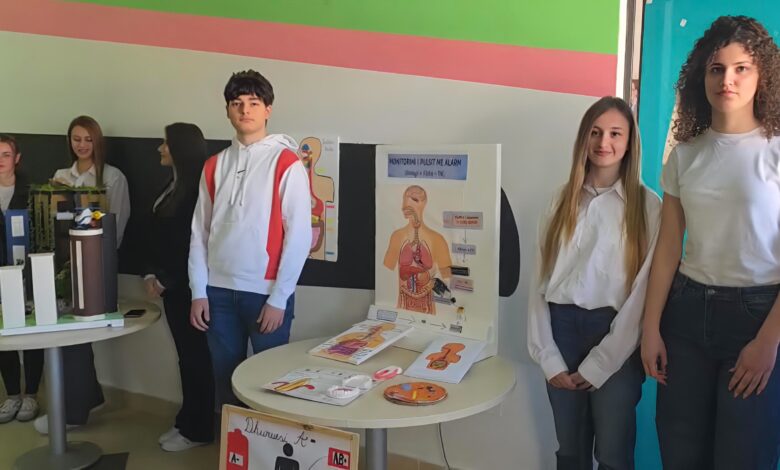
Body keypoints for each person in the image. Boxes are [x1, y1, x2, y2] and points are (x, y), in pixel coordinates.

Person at [641, 16, 780, 469]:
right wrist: (650, 327)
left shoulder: (776, 151)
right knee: (680, 454)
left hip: (757, 318)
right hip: (685, 317)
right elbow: (668, 248)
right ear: (700, 77)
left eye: (741, 68)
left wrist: (768, 342)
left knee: (743, 457)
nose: (727, 80)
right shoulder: (684, 155)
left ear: (762, 76)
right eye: (716, 69)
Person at [528, 96, 661, 469]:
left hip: (616, 335)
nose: (604, 142)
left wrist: (604, 360)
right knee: (569, 449)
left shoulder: (648, 207)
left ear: (629, 142)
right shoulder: (560, 201)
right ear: (583, 139)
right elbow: (538, 281)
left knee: (613, 453)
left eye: (615, 133)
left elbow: (643, 292)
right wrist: (546, 355)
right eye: (595, 132)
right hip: (561, 331)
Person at [188, 70, 311, 409]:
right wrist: (199, 291)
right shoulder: (214, 165)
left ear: (268, 109)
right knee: (226, 382)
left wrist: (279, 298)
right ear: (228, 110)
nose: (245, 110)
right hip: (218, 294)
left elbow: (299, 236)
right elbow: (200, 233)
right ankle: (231, 443)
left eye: (254, 103)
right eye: (237, 103)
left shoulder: (286, 162)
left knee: (270, 386)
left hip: (264, 294)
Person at [35, 116, 130, 433]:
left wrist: (97, 259)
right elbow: (51, 220)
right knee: (68, 334)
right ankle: (85, 400)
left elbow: (116, 224)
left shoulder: (112, 177)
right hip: (63, 265)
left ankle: (74, 412)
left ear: (97, 141)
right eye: (76, 139)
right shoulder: (61, 175)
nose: (82, 145)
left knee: (76, 335)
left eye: (88, 139)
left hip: (96, 265)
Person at [145, 123, 214, 451]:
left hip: (189, 289)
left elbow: (192, 245)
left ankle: (199, 429)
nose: (160, 148)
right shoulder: (171, 185)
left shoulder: (197, 193)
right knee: (185, 358)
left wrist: (167, 278)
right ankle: (187, 419)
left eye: (166, 143)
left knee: (196, 358)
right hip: (171, 287)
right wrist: (151, 273)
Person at [0, 134, 43, 424]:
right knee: (3, 332)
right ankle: (12, 394)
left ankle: (31, 394)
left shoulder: (32, 191)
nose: (0, 160)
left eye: (5, 154)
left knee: (30, 331)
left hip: (27, 271)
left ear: (16, 158)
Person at [383, 185, 452, 314]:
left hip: (427, 310)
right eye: (405, 199)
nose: (405, 205)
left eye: (413, 199)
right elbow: (385, 271)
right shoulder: (397, 237)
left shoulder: (438, 240)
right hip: (403, 308)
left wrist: (431, 280)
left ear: (423, 203)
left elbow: (447, 275)